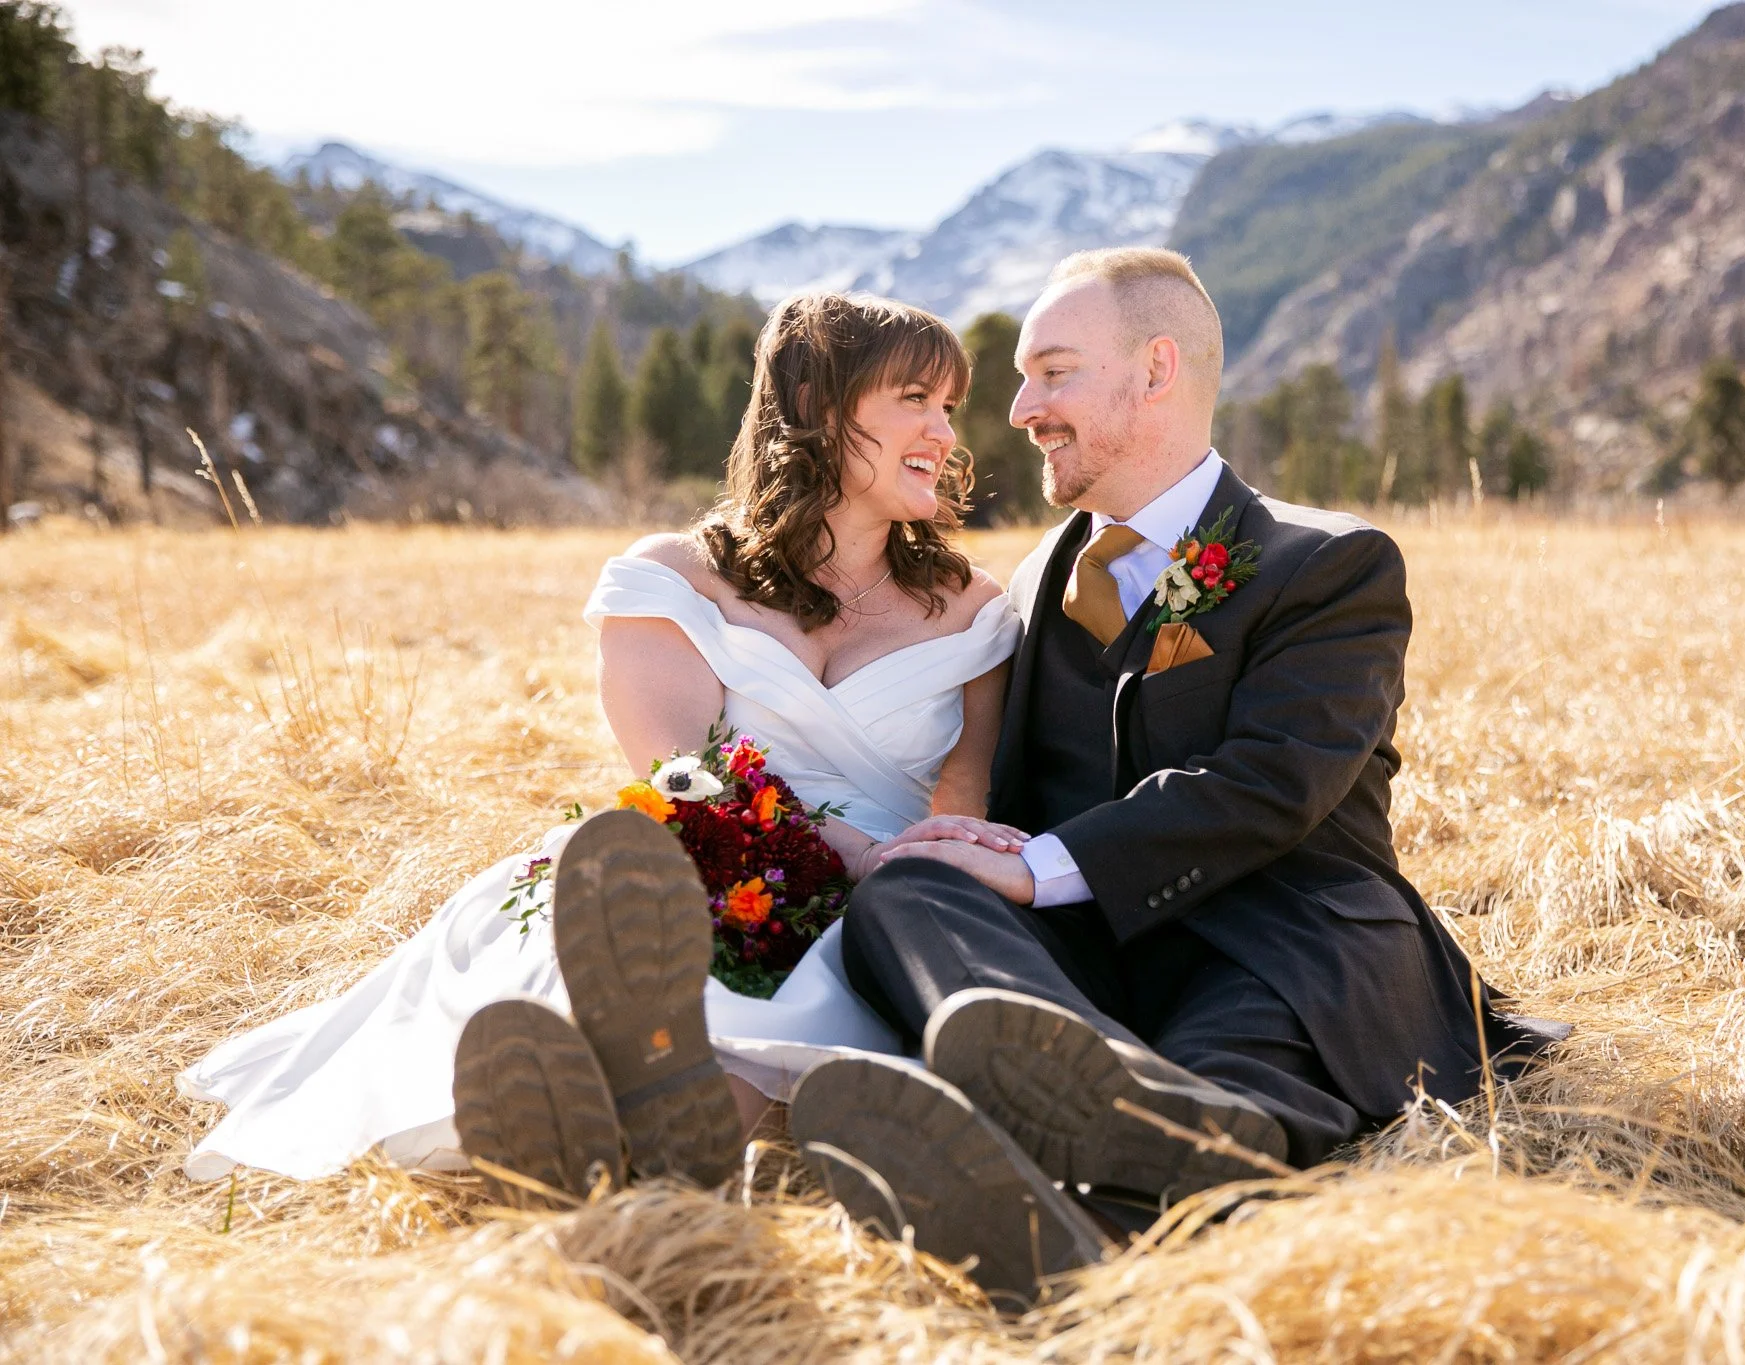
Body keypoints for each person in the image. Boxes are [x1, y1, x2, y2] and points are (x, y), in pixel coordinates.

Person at [782, 248, 1562, 1306]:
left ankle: (1103, 1186)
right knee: (909, 888)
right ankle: (1092, 1121)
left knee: (1234, 1063)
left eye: (1051, 372)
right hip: (1081, 968)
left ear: (1154, 371)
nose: (1017, 410)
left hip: (1278, 939)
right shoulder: (1031, 579)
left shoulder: (1325, 564)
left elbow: (1272, 783)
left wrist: (1043, 868)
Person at [177, 292, 1024, 1188]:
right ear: (818, 407)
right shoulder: (677, 577)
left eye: (948, 406)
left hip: (885, 895)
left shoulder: (974, 610)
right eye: (913, 400)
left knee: (826, 968)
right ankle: (587, 1114)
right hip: (712, 853)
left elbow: (964, 801)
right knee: (668, 929)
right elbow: (682, 773)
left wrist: (908, 875)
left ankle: (644, 1167)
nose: (943, 431)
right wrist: (843, 851)